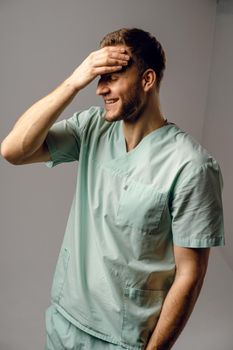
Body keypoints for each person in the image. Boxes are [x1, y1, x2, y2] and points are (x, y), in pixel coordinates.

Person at [1, 27, 225, 350]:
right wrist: (74, 81)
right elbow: (13, 150)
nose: (100, 89)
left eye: (112, 77)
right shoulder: (92, 129)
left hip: (122, 340)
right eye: (97, 77)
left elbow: (190, 275)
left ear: (147, 80)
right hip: (64, 324)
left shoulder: (191, 166)